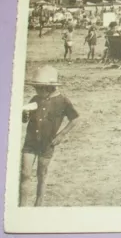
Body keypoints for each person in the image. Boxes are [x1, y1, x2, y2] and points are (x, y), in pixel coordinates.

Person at [20, 66, 80, 207]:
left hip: (47, 144)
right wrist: (25, 115)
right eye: (35, 87)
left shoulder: (62, 101)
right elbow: (24, 119)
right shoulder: (35, 99)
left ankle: (38, 205)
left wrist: (61, 135)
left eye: (38, 88)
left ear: (49, 87)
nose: (36, 90)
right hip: (30, 142)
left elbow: (75, 119)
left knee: (41, 174)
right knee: (25, 173)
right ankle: (22, 207)